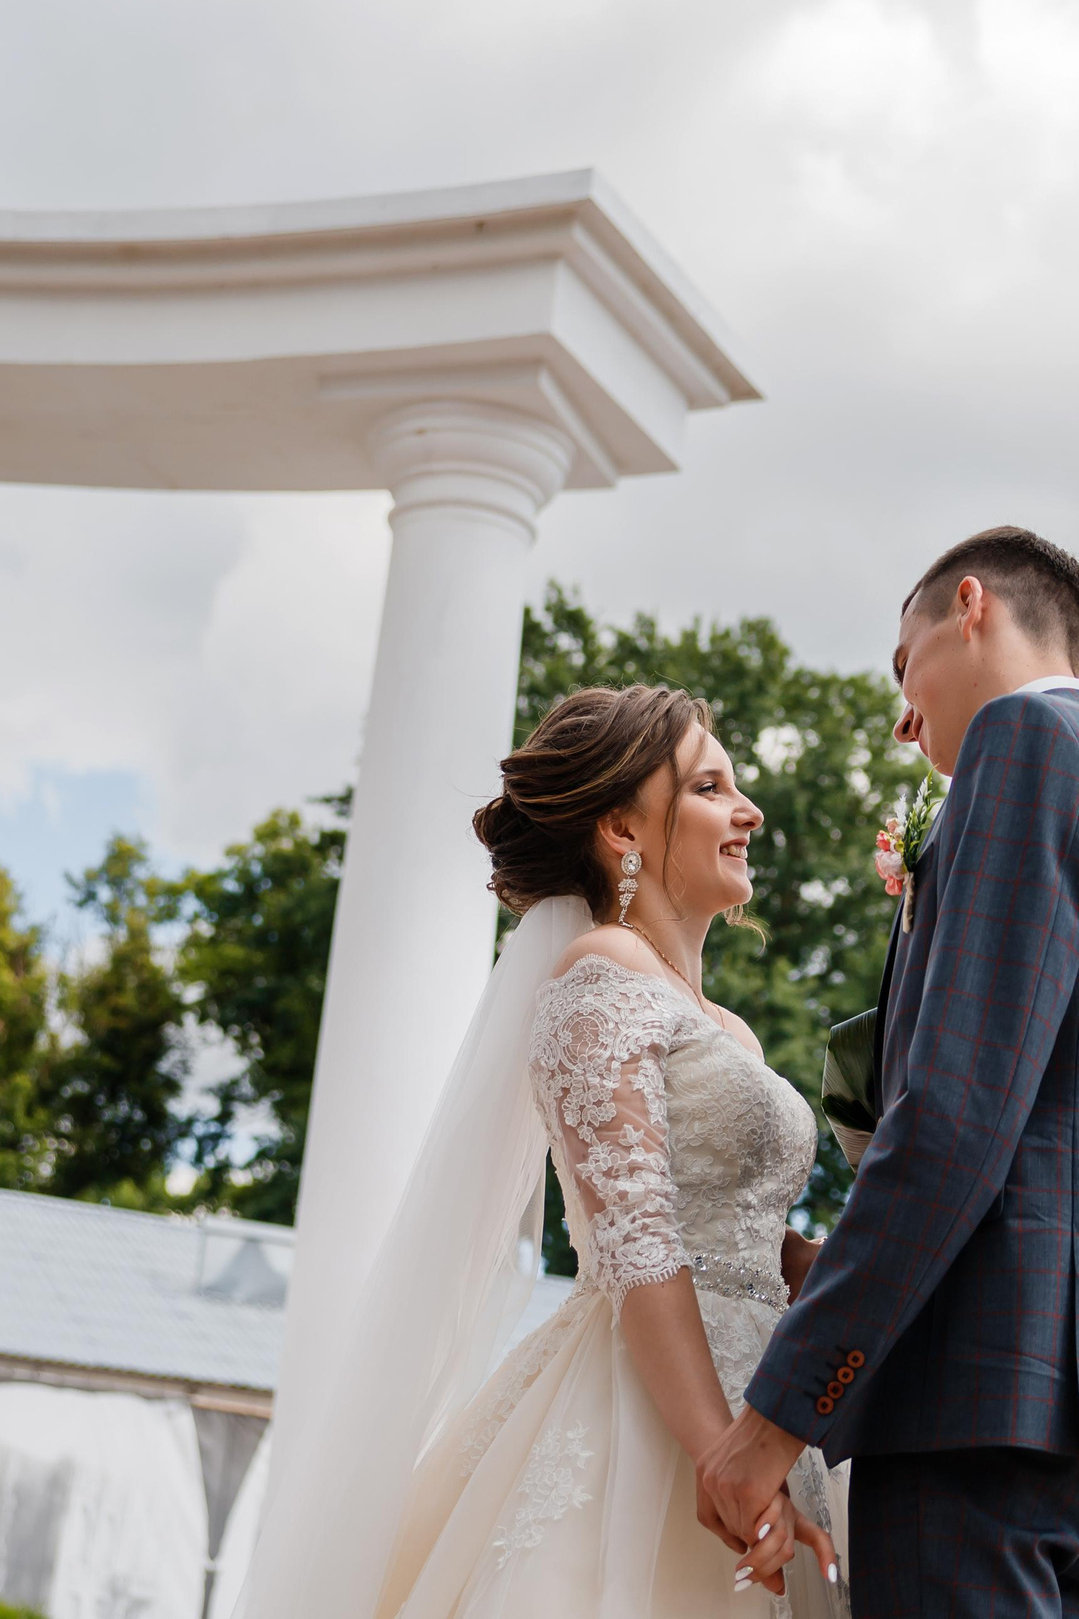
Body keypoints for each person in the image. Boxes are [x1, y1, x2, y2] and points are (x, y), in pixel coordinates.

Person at [695, 526, 1079, 1618]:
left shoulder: (1019, 750)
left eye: (903, 665)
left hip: (971, 1396)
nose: (902, 715)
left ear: (969, 606)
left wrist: (778, 1414)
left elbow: (953, 1119)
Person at [239, 683, 847, 1619]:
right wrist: (718, 1455)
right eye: (711, 786)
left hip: (768, 1408)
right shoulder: (598, 977)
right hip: (656, 1419)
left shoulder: (726, 1028)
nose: (748, 809)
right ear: (622, 827)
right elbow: (640, 1246)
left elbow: (744, 1230)